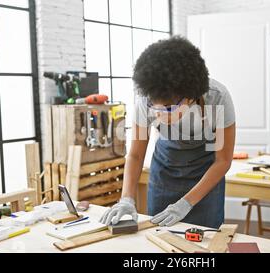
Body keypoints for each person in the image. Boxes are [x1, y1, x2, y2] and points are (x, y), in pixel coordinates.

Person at [100, 36, 236, 228]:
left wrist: (185, 203)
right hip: (165, 173)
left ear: (190, 97)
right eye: (155, 108)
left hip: (206, 176)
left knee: (205, 243)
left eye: (168, 108)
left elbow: (223, 161)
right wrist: (126, 199)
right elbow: (136, 155)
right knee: (158, 238)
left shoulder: (217, 99)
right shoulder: (145, 101)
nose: (159, 114)